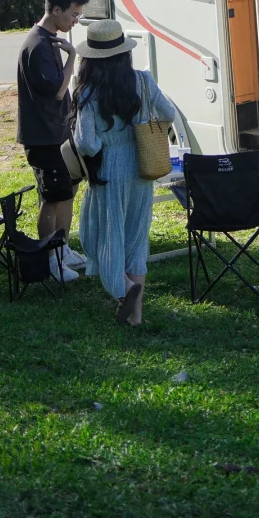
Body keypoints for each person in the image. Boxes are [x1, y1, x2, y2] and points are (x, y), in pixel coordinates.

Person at [72, 19, 177, 325]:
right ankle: (137, 317)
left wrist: (106, 142)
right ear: (124, 53)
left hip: (109, 166)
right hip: (142, 163)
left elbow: (86, 143)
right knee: (135, 237)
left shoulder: (89, 93)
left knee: (103, 236)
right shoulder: (142, 80)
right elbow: (168, 114)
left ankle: (125, 289)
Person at [16, 0, 89, 281]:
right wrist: (73, 56)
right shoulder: (37, 45)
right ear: (56, 10)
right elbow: (58, 92)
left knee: (68, 191)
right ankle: (50, 260)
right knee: (52, 198)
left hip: (60, 133)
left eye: (79, 15)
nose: (76, 21)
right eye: (73, 14)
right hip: (44, 137)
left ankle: (63, 248)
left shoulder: (50, 39)